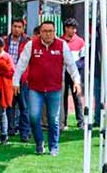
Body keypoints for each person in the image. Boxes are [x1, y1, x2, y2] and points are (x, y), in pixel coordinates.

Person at [11, 21, 82, 156]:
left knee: (53, 119)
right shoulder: (31, 45)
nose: (48, 34)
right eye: (45, 31)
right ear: (40, 32)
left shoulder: (62, 45)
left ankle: (54, 146)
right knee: (33, 116)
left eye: (50, 31)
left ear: (55, 32)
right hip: (35, 88)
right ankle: (39, 142)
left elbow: (71, 65)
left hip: (54, 89)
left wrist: (76, 81)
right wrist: (15, 81)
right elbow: (21, 64)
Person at [5, 18, 31, 141]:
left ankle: (24, 132)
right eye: (15, 26)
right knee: (9, 105)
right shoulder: (6, 41)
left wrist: (26, 76)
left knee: (24, 106)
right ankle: (10, 129)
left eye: (19, 27)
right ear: (11, 27)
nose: (16, 29)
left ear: (23, 29)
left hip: (22, 78)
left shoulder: (27, 42)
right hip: (8, 77)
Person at [59, 18, 86, 131]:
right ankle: (63, 122)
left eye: (75, 28)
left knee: (77, 97)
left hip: (75, 72)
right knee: (63, 97)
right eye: (71, 28)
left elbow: (83, 58)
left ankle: (81, 122)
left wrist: (74, 66)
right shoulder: (60, 41)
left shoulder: (80, 41)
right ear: (66, 28)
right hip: (63, 72)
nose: (74, 31)